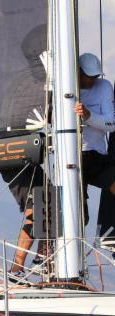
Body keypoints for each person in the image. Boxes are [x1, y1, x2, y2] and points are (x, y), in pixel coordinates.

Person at [75, 53, 115, 249]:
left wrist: (89, 116)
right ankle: (68, 253)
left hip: (97, 155)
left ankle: (110, 237)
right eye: (88, 76)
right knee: (80, 215)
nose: (93, 80)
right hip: (74, 159)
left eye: (95, 76)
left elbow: (111, 124)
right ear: (78, 72)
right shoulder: (67, 88)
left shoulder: (104, 86)